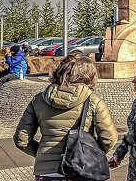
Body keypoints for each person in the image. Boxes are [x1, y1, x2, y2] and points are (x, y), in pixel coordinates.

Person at [14, 53, 118, 181]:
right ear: (90, 76)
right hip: (80, 169)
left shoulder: (39, 99)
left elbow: (21, 139)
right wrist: (90, 153)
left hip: (46, 171)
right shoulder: (93, 100)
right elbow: (109, 138)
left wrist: (43, 153)